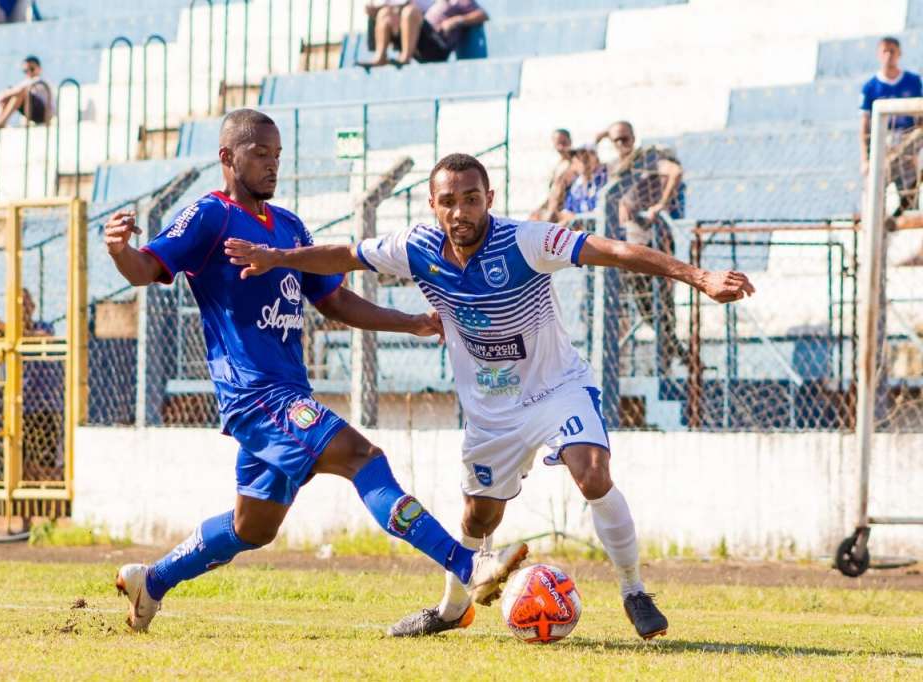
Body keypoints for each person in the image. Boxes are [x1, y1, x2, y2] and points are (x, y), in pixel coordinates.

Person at [223, 152, 755, 640]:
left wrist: (699, 276)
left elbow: (613, 251)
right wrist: (278, 258)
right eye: (449, 201)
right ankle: (453, 609)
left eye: (471, 199)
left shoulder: (526, 241)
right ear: (432, 205)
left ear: (489, 200)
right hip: (490, 414)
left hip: (556, 390)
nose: (461, 211)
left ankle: (634, 589)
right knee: (478, 521)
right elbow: (344, 255)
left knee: (592, 474)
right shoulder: (416, 248)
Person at [105, 110, 527, 632]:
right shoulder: (211, 217)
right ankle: (470, 565)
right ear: (227, 157)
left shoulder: (287, 226)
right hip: (257, 397)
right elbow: (148, 268)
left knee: (252, 527)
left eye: (278, 155)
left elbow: (335, 302)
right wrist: (122, 250)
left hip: (286, 392)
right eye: (260, 154)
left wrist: (412, 322)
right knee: (362, 457)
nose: (272, 164)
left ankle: (154, 581)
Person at [597, 120, 687, 365]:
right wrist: (601, 135)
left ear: (634, 137)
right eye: (616, 140)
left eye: (625, 138)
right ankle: (677, 352)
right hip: (629, 243)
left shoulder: (645, 159)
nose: (622, 144)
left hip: (654, 239)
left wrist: (660, 204)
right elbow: (585, 165)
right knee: (645, 305)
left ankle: (670, 356)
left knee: (662, 303)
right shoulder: (615, 166)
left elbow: (674, 172)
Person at [0, 274, 65, 481]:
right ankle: (27, 512)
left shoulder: (43, 327)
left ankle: (52, 510)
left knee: (46, 465)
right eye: (19, 304)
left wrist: (4, 327)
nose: (23, 308)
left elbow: (41, 338)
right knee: (23, 465)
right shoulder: (7, 333)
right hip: (19, 407)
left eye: (26, 303)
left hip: (45, 407)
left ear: (33, 307)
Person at [860, 36, 923, 214]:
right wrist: (865, 159)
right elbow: (864, 127)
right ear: (878, 55)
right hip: (884, 145)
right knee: (876, 189)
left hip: (908, 141)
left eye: (892, 51)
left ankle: (902, 219)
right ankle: (878, 227)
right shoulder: (870, 87)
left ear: (899, 54)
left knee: (910, 190)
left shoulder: (913, 81)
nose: (888, 55)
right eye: (884, 51)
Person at [360, 1, 433, 68]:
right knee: (384, 13)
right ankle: (380, 58)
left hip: (432, 39)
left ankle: (405, 58)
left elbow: (413, 5)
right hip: (415, 38)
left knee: (409, 12)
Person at [416, 0, 488, 64]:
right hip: (424, 42)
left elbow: (483, 15)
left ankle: (406, 56)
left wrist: (456, 20)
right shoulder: (434, 3)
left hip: (437, 45)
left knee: (410, 12)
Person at [0, 55, 52, 129]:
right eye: (25, 71)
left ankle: (0, 123)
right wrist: (5, 96)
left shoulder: (41, 80)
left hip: (44, 115)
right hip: (32, 112)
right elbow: (14, 90)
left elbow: (21, 90)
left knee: (19, 93)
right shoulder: (27, 81)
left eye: (32, 69)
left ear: (39, 69)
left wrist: (3, 95)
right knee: (11, 93)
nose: (29, 72)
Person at [556, 146, 608, 226]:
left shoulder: (604, 179)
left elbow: (601, 212)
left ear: (595, 158)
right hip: (580, 229)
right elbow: (567, 211)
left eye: (585, 157)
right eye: (576, 157)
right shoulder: (577, 184)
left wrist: (576, 218)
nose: (580, 161)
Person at [529, 129, 573, 221]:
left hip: (565, 210)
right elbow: (552, 193)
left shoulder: (575, 164)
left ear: (570, 141)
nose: (561, 147)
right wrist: (541, 208)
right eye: (558, 143)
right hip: (551, 209)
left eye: (564, 143)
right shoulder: (558, 166)